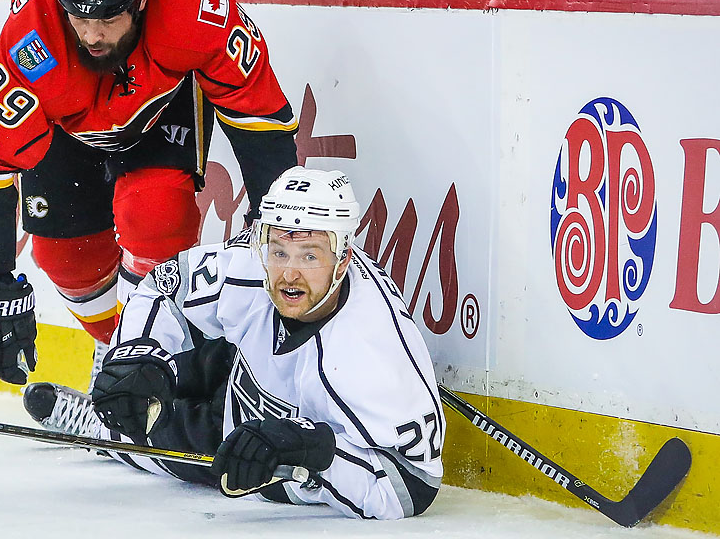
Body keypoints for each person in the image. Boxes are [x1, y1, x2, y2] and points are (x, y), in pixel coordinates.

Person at [0, 0, 298, 390]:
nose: (91, 35)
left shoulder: (194, 8)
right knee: (64, 258)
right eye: (81, 16)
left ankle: (153, 355)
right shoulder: (34, 41)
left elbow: (258, 112)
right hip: (64, 113)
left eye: (108, 18)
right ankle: (120, 360)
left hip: (160, 99)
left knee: (155, 213)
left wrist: (272, 217)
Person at [26, 166, 445, 519]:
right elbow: (164, 286)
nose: (290, 274)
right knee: (167, 370)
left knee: (179, 442)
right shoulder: (250, 265)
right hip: (242, 368)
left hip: (264, 445)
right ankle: (123, 409)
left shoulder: (369, 357)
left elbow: (412, 486)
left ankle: (110, 436)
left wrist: (314, 450)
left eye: (311, 256)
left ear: (345, 257)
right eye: (279, 251)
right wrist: (138, 355)